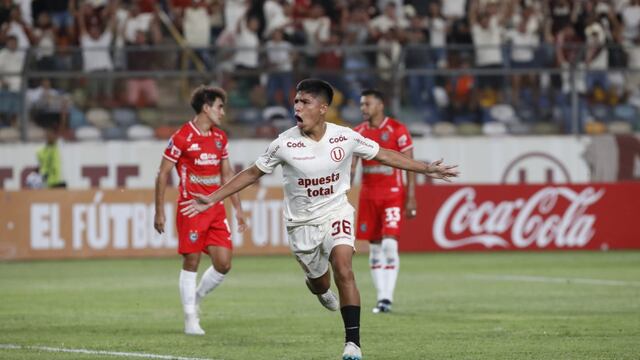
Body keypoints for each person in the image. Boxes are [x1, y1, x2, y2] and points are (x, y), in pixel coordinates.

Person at [180, 79, 458, 359]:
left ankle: (353, 344)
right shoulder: (284, 143)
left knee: (344, 266)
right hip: (301, 225)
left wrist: (426, 169)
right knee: (321, 283)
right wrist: (213, 197)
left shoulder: (345, 137)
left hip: (337, 212)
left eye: (305, 102)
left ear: (323, 108)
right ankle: (319, 288)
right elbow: (252, 173)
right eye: (296, 101)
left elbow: (384, 155)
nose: (297, 107)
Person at [154, 85, 247, 336]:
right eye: (219, 107)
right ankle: (189, 318)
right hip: (191, 209)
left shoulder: (220, 138)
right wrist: (159, 211)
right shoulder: (182, 137)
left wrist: (237, 208)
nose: (223, 112)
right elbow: (162, 173)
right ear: (206, 108)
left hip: (216, 209)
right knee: (192, 260)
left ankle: (195, 299)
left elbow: (227, 175)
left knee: (224, 263)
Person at [351, 89, 414, 314]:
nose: (363, 109)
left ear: (379, 105)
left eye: (366, 104)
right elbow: (351, 167)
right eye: (361, 105)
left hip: (393, 193)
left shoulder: (397, 130)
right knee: (375, 249)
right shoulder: (357, 132)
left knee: (389, 244)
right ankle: (381, 299)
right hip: (368, 195)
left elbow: (409, 165)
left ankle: (387, 297)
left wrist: (411, 197)